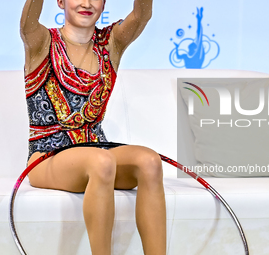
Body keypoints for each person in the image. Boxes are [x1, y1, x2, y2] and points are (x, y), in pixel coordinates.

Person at [20, 0, 166, 254]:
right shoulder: (42, 42)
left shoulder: (111, 44)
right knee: (101, 161)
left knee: (150, 161)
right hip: (46, 155)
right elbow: (26, 25)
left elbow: (142, 15)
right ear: (61, 1)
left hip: (97, 149)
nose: (87, 3)